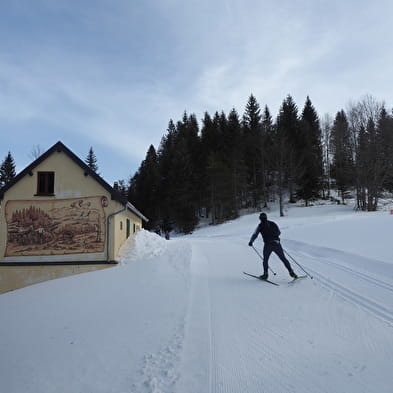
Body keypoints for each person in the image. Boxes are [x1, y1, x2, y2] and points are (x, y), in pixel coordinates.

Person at [248, 212, 297, 280]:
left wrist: (251, 241)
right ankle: (292, 272)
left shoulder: (260, 226)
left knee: (265, 260)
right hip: (277, 244)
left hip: (268, 245)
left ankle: (265, 275)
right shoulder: (273, 223)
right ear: (266, 217)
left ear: (260, 219)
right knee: (283, 259)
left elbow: (255, 234)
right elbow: (279, 232)